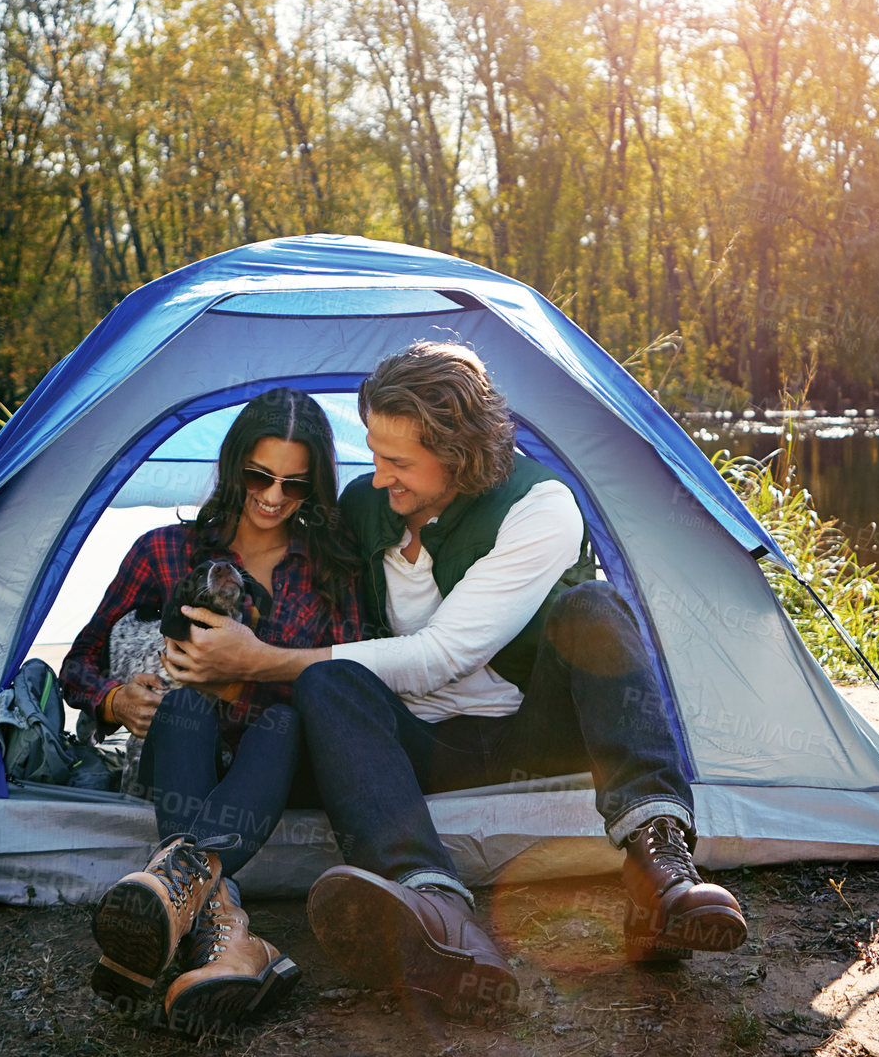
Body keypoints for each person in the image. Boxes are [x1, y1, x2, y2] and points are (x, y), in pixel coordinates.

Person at [163, 343, 746, 1012]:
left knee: (594, 606)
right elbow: (282, 556)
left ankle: (658, 864)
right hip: (412, 746)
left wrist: (258, 659)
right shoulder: (364, 505)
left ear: (460, 452)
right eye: (374, 453)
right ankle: (436, 908)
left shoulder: (540, 505)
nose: (379, 476)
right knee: (328, 681)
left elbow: (443, 653)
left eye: (399, 461)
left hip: (527, 733)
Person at [60, 388, 366, 1034]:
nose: (275, 496)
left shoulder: (331, 570)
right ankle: (226, 934)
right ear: (233, 468)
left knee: (280, 719)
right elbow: (78, 664)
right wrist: (116, 700)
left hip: (281, 761)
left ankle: (179, 888)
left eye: (295, 484)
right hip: (180, 751)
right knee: (185, 704)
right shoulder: (162, 551)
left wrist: (250, 672)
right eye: (260, 475)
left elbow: (354, 682)